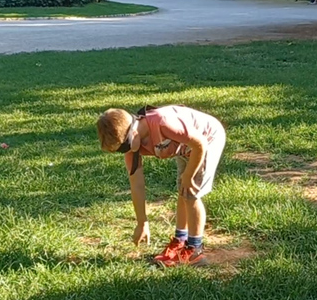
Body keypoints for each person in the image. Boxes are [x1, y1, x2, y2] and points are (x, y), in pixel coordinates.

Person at [96, 105, 226, 267]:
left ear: (133, 134)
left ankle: (195, 250)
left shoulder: (163, 123)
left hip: (207, 138)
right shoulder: (131, 147)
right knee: (183, 191)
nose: (125, 152)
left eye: (124, 147)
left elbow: (200, 143)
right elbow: (137, 185)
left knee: (191, 192)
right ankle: (180, 240)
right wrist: (142, 222)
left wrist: (189, 175)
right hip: (185, 148)